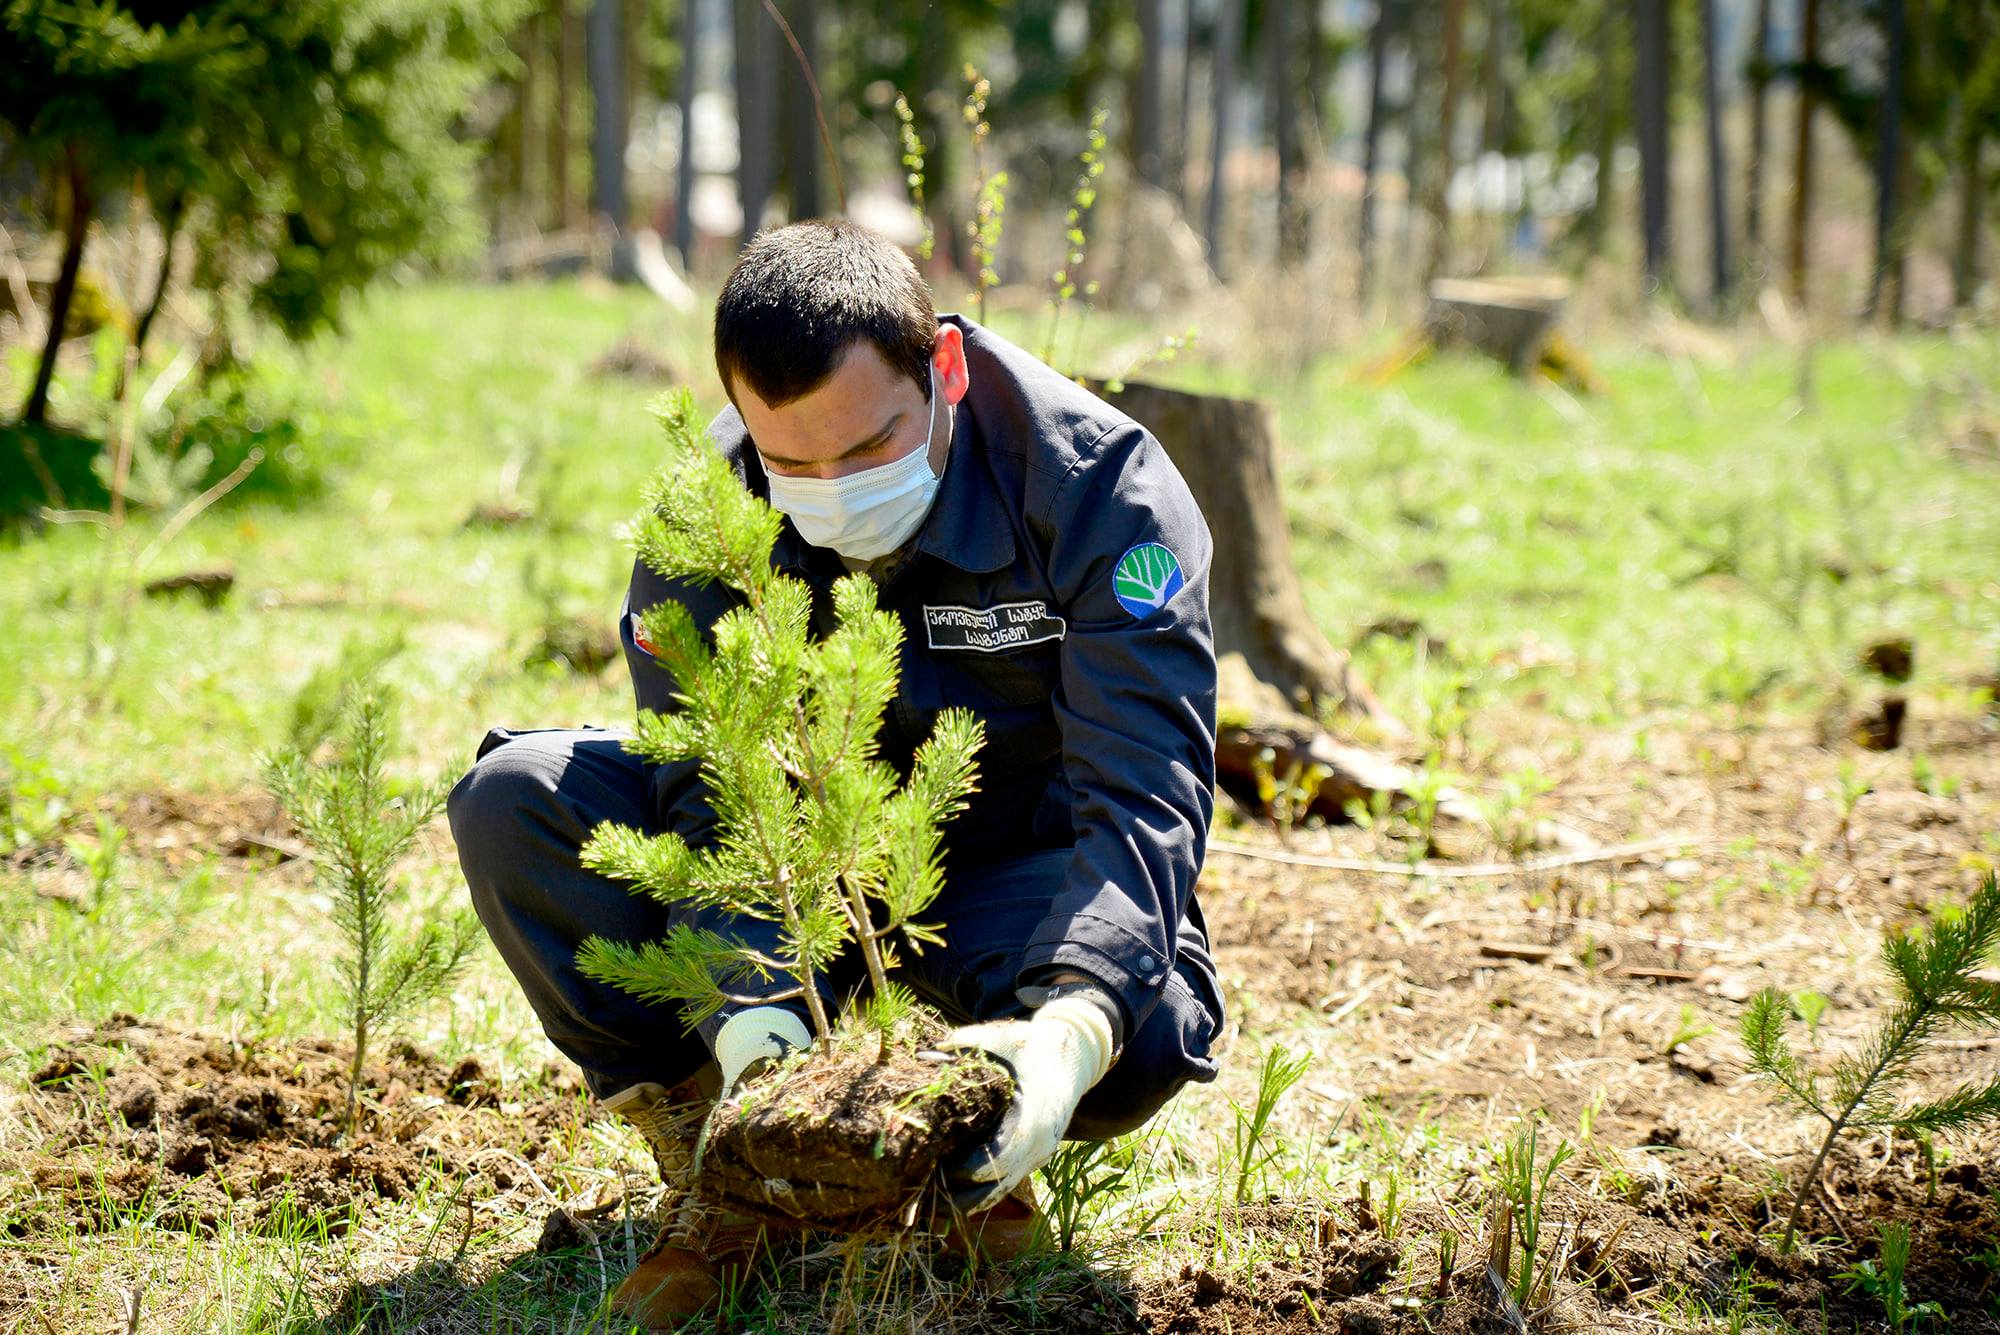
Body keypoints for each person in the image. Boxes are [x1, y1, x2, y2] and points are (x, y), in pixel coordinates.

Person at [446, 219, 1225, 1322]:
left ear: (942, 366)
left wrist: (1072, 1028)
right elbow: (713, 792)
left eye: (868, 448)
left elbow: (1143, 791)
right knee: (516, 802)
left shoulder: (1098, 492)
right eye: (793, 464)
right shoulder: (708, 514)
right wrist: (754, 1028)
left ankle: (966, 1154)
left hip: (1004, 870)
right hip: (795, 873)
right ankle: (727, 1165)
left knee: (1141, 1030)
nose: (833, 489)